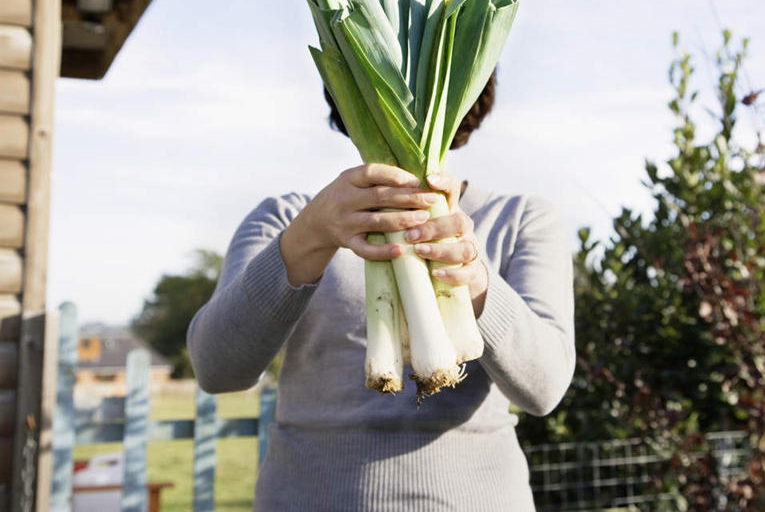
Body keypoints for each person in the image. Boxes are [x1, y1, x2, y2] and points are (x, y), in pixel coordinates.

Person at [186, 71, 576, 511]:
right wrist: (313, 232)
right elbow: (217, 368)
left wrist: (473, 276)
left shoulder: (521, 219)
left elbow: (545, 389)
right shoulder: (286, 219)